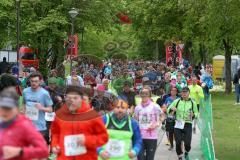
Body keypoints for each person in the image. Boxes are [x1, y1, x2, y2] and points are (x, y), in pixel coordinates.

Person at [51, 85, 109, 160]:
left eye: (75, 98)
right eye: (69, 98)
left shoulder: (92, 116)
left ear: (81, 99)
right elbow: (55, 133)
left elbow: (103, 137)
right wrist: (55, 145)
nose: (71, 101)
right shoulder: (59, 115)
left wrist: (87, 140)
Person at [0, 87, 49, 160]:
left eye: (9, 108)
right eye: (2, 108)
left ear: (16, 109)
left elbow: (44, 151)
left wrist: (20, 151)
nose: (5, 112)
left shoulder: (24, 125)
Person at [167, 87, 199, 160]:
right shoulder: (177, 101)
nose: (184, 94)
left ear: (189, 93)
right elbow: (168, 110)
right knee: (178, 142)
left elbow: (197, 113)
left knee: (187, 143)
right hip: (178, 123)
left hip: (188, 124)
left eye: (185, 92)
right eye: (183, 92)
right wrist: (172, 109)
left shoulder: (192, 102)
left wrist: (194, 115)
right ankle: (180, 156)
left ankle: (187, 152)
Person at [22, 72, 53, 143]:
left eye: (36, 81)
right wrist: (23, 111)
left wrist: (42, 108)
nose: (33, 83)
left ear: (40, 81)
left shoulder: (44, 93)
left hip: (40, 126)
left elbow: (50, 109)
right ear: (29, 81)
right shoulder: (25, 91)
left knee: (37, 148)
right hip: (27, 125)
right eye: (32, 81)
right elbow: (24, 103)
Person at [134, 86, 163, 160]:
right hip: (139, 137)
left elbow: (162, 116)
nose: (144, 95)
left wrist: (157, 124)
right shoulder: (137, 108)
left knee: (149, 158)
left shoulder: (155, 106)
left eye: (146, 93)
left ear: (150, 95)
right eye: (142, 93)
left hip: (151, 137)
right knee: (140, 158)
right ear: (140, 95)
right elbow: (135, 120)